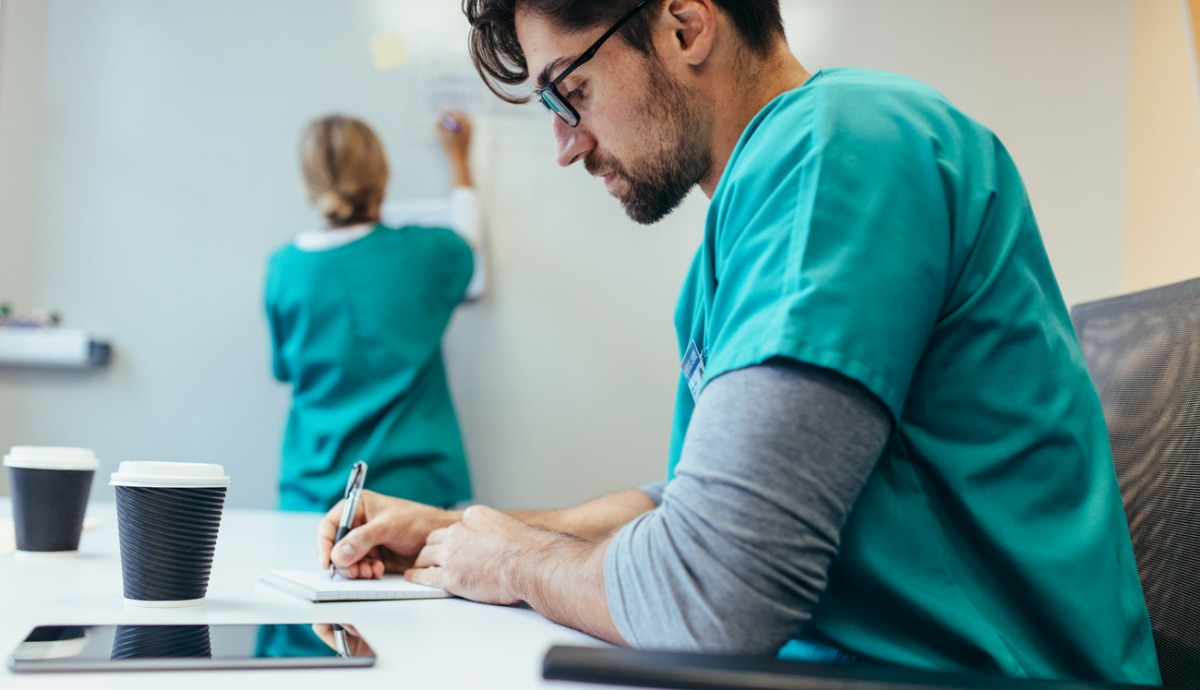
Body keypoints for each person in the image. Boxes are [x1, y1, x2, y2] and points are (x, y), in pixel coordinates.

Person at [315, 1, 1161, 683]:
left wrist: (518, 564)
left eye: (567, 90)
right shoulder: (764, 206)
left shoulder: (839, 148)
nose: (566, 143)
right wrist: (463, 533)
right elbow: (698, 503)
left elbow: (711, 589)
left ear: (685, 24)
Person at [265, 111, 484, 512]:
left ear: (309, 183)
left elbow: (283, 370)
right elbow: (468, 241)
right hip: (410, 499)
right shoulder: (423, 255)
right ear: (381, 177)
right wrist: (458, 158)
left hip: (309, 498)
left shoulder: (285, 268)